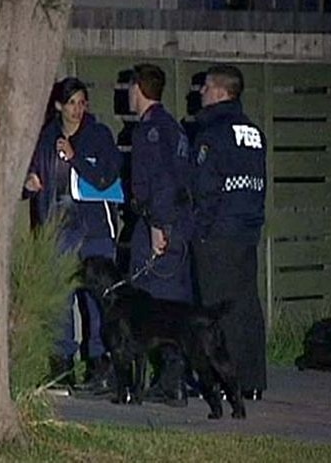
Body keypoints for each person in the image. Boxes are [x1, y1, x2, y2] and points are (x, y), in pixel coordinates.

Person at [23, 77, 122, 392]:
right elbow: (33, 175)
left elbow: (107, 177)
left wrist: (74, 156)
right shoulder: (46, 138)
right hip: (59, 228)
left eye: (82, 102)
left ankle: (100, 366)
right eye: (72, 103)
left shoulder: (98, 135)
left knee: (97, 301)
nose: (78, 109)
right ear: (58, 106)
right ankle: (61, 367)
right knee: (61, 300)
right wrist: (29, 184)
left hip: (94, 231)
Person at [191, 65, 267, 400]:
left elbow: (205, 189)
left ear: (221, 92)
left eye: (206, 87)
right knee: (246, 305)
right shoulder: (253, 132)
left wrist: (201, 231)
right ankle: (252, 381)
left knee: (218, 311)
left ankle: (226, 381)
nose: (200, 92)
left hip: (218, 235)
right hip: (246, 231)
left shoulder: (211, 133)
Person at [127, 63, 194, 406]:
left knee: (153, 306)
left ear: (138, 88)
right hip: (179, 225)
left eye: (130, 86)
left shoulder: (150, 130)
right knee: (175, 306)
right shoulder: (175, 128)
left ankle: (170, 383)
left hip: (161, 224)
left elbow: (161, 183)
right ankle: (173, 379)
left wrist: (157, 226)